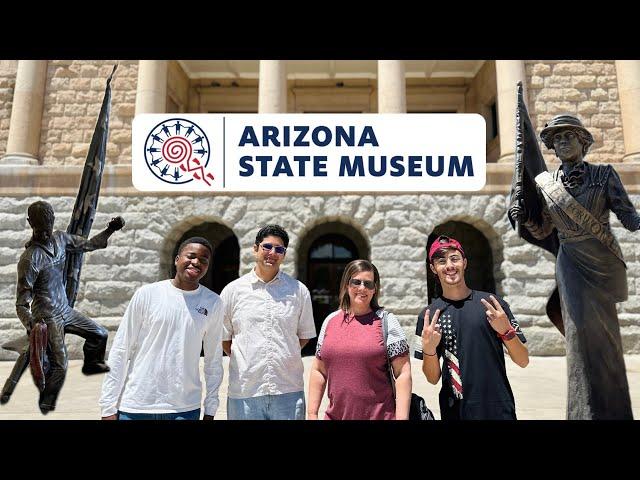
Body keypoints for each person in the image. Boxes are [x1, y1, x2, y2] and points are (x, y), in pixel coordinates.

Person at [509, 114, 640, 420]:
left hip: (602, 261)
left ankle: (614, 412)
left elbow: (629, 217)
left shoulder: (605, 175)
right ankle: (582, 413)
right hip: (570, 261)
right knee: (579, 332)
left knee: (607, 337)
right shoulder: (546, 184)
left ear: (583, 140)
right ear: (552, 147)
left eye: (569, 135)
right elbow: (543, 230)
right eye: (557, 138)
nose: (563, 141)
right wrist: (524, 215)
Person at [7, 200, 124, 414]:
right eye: (39, 225)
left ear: (53, 221)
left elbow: (90, 245)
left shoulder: (60, 239)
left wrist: (110, 230)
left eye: (48, 224)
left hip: (65, 310)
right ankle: (47, 402)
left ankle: (92, 364)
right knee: (61, 365)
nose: (45, 229)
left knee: (100, 334)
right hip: (46, 316)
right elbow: (21, 303)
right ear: (30, 223)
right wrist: (32, 325)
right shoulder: (29, 259)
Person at [99, 237, 223, 420]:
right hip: (136, 406)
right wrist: (107, 406)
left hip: (184, 408)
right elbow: (121, 349)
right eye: (191, 256)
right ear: (177, 259)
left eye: (203, 260)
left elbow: (213, 360)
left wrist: (211, 408)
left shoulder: (213, 303)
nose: (196, 262)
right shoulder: (147, 294)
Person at [416, 235, 529, 420]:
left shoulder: (493, 305)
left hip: (498, 409)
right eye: (442, 261)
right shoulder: (428, 316)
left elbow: (523, 360)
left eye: (454, 258)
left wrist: (506, 331)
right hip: (455, 411)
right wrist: (429, 350)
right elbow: (432, 378)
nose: (449, 266)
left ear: (464, 262)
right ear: (433, 268)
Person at [220, 225, 316, 420]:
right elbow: (224, 338)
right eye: (267, 247)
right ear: (255, 248)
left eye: (279, 249)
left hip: (287, 390)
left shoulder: (299, 291)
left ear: (284, 254)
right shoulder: (233, 291)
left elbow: (303, 336)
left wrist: (283, 352)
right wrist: (248, 357)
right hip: (245, 391)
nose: (273, 253)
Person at [307, 259, 411, 420]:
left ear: (374, 289)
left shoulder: (387, 322)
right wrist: (312, 414)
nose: (362, 288)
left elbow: (403, 373)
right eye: (356, 282)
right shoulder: (330, 321)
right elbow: (319, 370)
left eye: (368, 284)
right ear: (346, 285)